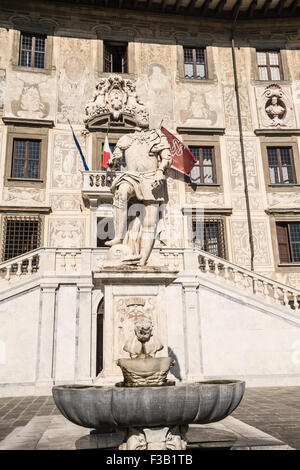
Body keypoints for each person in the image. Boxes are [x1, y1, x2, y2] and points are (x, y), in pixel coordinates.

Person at [105, 105, 172, 266]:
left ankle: (142, 260)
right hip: (132, 176)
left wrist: (160, 171)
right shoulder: (125, 139)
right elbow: (115, 159)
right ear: (133, 117)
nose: (144, 116)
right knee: (121, 192)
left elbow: (167, 158)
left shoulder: (157, 136)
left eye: (146, 113)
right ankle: (119, 236)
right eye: (141, 113)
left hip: (152, 180)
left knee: (150, 223)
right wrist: (113, 162)